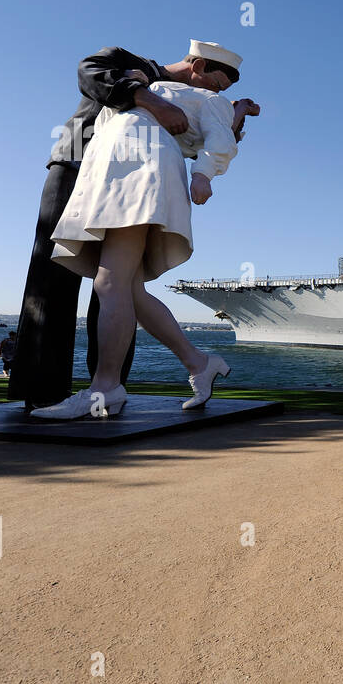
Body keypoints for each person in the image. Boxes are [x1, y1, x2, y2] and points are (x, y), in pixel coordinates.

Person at [31, 43, 259, 420]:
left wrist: (203, 173)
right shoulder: (145, 81)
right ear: (198, 64)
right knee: (129, 289)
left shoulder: (203, 99)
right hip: (110, 169)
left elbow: (219, 140)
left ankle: (105, 388)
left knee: (109, 283)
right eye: (216, 81)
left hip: (139, 170)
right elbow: (94, 76)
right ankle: (199, 362)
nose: (219, 91)